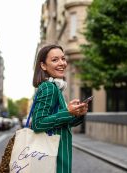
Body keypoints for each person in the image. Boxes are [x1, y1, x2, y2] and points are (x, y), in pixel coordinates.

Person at [31, 44, 88, 173]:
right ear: (43, 66)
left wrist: (77, 113)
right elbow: (38, 123)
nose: (62, 63)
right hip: (54, 159)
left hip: (57, 155)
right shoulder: (49, 88)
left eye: (63, 58)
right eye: (55, 60)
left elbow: (62, 124)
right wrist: (67, 111)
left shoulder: (56, 87)